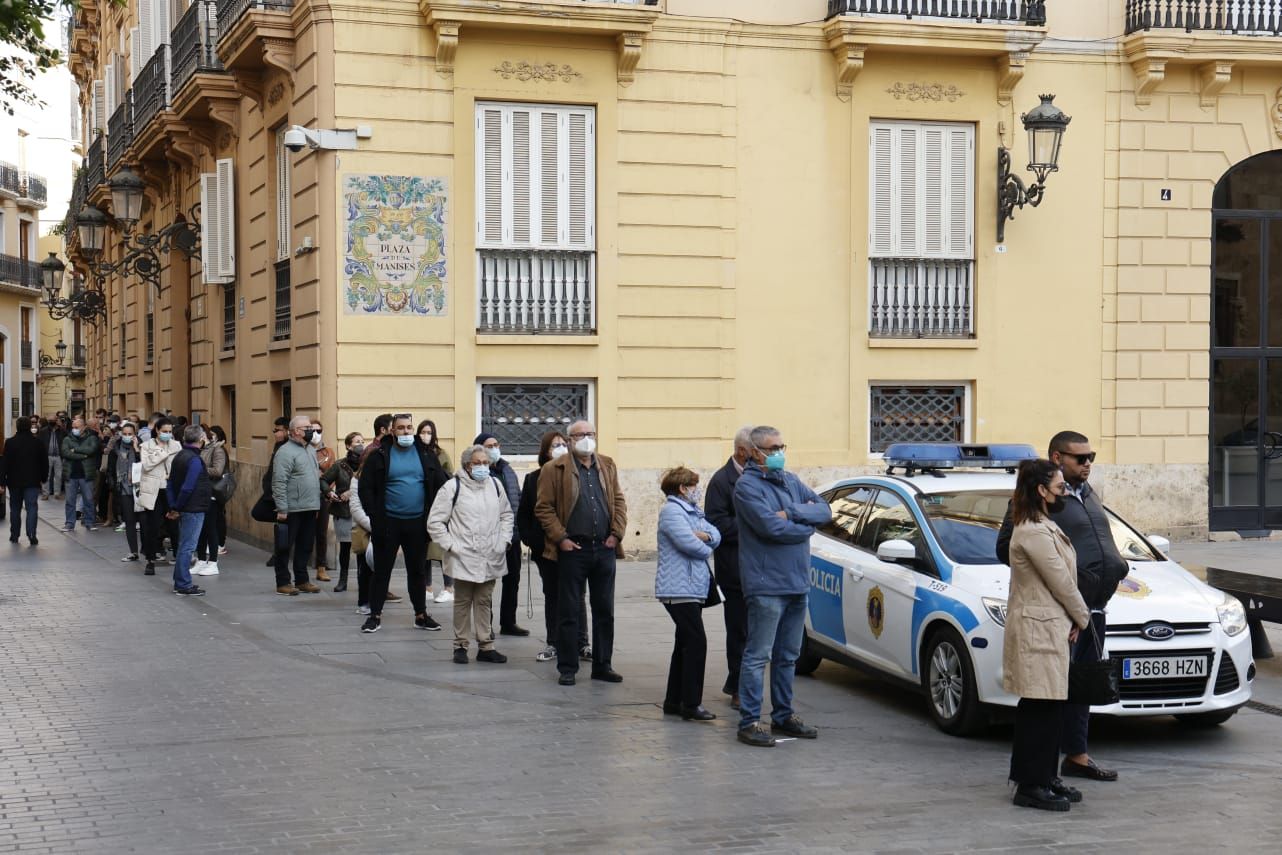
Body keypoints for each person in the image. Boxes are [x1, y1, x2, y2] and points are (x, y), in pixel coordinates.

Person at [996, 431, 1128, 783]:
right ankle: (1039, 776)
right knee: (1048, 696)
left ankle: (1076, 757)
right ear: (1057, 459)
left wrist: (1118, 566)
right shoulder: (1034, 509)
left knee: (1080, 685)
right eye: (1079, 458)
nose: (1087, 464)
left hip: (1091, 607)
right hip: (1062, 611)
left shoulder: (1088, 494)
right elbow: (1008, 547)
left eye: (1091, 458)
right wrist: (1071, 593)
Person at [732, 425, 831, 748]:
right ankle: (749, 721)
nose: (779, 453)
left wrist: (791, 512)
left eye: (781, 446)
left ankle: (783, 714)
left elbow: (824, 510)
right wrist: (805, 528)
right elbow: (771, 528)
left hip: (797, 581)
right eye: (772, 448)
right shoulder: (747, 487)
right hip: (766, 584)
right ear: (754, 452)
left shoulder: (790, 481)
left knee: (788, 655)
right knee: (758, 655)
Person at [1004, 458, 1092, 811]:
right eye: (1059, 488)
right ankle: (1030, 785)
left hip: (1050, 627)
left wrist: (1071, 620)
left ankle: (1046, 776)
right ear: (1042, 491)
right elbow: (1062, 582)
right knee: (1039, 709)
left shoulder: (1042, 524)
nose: (1064, 493)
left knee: (1051, 707)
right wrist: (1083, 618)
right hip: (1037, 631)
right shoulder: (1034, 532)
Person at [535, 419, 628, 686]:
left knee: (604, 609)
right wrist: (560, 538)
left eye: (590, 433)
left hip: (604, 547)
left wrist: (616, 533)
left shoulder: (607, 464)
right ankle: (567, 667)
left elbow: (619, 500)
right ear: (570, 440)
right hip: (573, 549)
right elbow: (544, 508)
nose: (586, 438)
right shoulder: (555, 469)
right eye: (580, 435)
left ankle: (603, 664)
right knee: (569, 611)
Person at [356, 413, 449, 633]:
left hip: (418, 522)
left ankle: (421, 615)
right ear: (392, 431)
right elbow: (365, 488)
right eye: (400, 428)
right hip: (388, 522)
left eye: (409, 428)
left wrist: (439, 513)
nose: (406, 432)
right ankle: (375, 615)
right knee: (382, 571)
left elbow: (440, 484)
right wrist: (374, 516)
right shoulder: (379, 455)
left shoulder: (426, 454)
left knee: (417, 571)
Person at [428, 444, 514, 664]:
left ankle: (486, 645)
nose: (483, 467)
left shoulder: (495, 485)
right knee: (463, 601)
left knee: (484, 600)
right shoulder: (452, 487)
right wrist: (451, 545)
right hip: (463, 555)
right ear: (467, 465)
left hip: (490, 554)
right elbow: (435, 522)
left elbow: (506, 515)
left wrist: (503, 540)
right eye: (478, 463)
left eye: (486, 463)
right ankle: (461, 646)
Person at [518, 430, 590, 663]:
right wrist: (535, 542)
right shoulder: (533, 478)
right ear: (545, 452)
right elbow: (526, 516)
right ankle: (554, 642)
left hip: (576, 547)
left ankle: (582, 643)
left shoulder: (578, 474)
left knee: (577, 595)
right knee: (553, 594)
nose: (559, 448)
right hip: (546, 549)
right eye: (554, 446)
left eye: (562, 444)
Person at [656, 466, 721, 722]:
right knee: (696, 643)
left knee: (684, 643)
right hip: (678, 588)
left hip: (692, 587)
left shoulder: (691, 511)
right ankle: (691, 703)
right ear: (683, 488)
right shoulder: (672, 511)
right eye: (694, 485)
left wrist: (704, 536)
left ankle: (673, 701)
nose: (698, 489)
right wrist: (706, 544)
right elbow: (689, 544)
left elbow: (715, 534)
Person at [705, 425, 753, 710]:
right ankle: (737, 686)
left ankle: (744, 682)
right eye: (758, 450)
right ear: (742, 451)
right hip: (734, 569)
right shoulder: (721, 482)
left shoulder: (762, 476)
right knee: (739, 630)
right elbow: (716, 524)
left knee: (755, 631)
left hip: (761, 567)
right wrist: (756, 523)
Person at [475, 432, 528, 636]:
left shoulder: (507, 469)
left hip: (512, 536)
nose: (494, 448)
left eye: (496, 444)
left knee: (512, 580)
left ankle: (508, 622)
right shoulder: (479, 472)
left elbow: (518, 497)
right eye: (489, 445)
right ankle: (485, 625)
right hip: (490, 537)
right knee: (487, 583)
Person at [272, 415, 324, 595]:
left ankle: (302, 580)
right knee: (285, 546)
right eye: (307, 427)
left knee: (306, 545)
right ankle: (283, 582)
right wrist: (282, 508)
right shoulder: (285, 452)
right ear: (296, 431)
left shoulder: (310, 449)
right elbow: (279, 482)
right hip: (292, 508)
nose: (312, 430)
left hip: (310, 507)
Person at [164, 424, 211, 597]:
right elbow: (187, 487)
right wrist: (177, 507)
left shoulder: (179, 456)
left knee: (185, 545)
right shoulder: (194, 460)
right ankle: (183, 584)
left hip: (186, 507)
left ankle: (180, 581)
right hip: (193, 508)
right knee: (188, 546)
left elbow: (170, 483)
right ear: (200, 440)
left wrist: (173, 506)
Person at [321, 431, 364, 593]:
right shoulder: (339, 465)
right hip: (343, 512)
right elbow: (324, 480)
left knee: (362, 548)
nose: (360, 444)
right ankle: (343, 580)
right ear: (348, 446)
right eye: (356, 442)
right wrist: (330, 493)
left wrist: (351, 492)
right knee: (345, 548)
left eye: (362, 441)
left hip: (361, 512)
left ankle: (363, 580)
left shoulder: (367, 464)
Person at [139, 417, 181, 575]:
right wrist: (163, 451)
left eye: (170, 432)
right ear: (157, 430)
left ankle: (179, 557)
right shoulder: (146, 446)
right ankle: (150, 560)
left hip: (170, 490)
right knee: (152, 527)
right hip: (154, 491)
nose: (167, 434)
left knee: (174, 526)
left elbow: (178, 465)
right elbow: (147, 464)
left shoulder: (176, 445)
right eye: (164, 431)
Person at [418, 419, 454, 603]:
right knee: (424, 551)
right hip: (421, 507)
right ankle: (427, 587)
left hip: (439, 507)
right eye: (423, 432)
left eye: (429, 432)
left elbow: (450, 478)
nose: (426, 435)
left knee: (441, 549)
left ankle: (449, 587)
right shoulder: (415, 453)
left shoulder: (441, 454)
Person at [2, 416, 45, 545]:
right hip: (32, 480)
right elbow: (44, 462)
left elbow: (5, 463)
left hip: (14, 481)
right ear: (30, 427)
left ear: (17, 427)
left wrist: (2, 481)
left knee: (15, 508)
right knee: (32, 507)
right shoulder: (37, 442)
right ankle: (31, 534)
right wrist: (43, 478)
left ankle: (14, 535)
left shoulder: (10, 442)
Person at [194, 426, 229, 576]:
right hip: (200, 493)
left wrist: (197, 467)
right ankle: (201, 561)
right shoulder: (199, 450)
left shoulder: (217, 450)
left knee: (211, 528)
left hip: (212, 493)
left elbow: (218, 471)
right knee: (201, 530)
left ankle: (213, 562)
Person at [107, 422, 142, 561]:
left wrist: (137, 449)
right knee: (129, 520)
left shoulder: (141, 447)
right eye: (125, 434)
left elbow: (145, 464)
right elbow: (111, 468)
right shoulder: (116, 448)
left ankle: (148, 550)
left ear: (135, 434)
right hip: (124, 488)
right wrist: (113, 483)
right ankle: (133, 551)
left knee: (145, 522)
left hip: (140, 488)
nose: (127, 436)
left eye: (130, 434)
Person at [61, 415, 100, 532]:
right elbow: (65, 453)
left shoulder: (92, 438)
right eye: (73, 427)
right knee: (69, 500)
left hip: (86, 474)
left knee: (89, 499)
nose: (74, 429)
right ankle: (69, 523)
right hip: (71, 474)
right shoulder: (67, 439)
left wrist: (76, 449)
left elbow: (92, 450)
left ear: (83, 427)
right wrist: (83, 455)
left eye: (77, 427)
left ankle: (89, 522)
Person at [311, 419, 336, 583]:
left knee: (321, 532)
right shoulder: (302, 450)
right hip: (305, 496)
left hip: (323, 496)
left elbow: (332, 474)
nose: (316, 434)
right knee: (305, 532)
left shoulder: (328, 452)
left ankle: (321, 567)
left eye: (319, 431)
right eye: (313, 430)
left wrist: (326, 488)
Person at [40, 415, 66, 500]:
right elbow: (40, 442)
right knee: (46, 475)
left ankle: (57, 493)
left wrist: (61, 425)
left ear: (56, 420)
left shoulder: (62, 431)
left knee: (58, 475)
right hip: (47, 456)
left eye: (53, 420)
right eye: (49, 420)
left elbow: (67, 439)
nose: (51, 422)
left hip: (59, 456)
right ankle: (45, 493)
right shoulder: (43, 431)